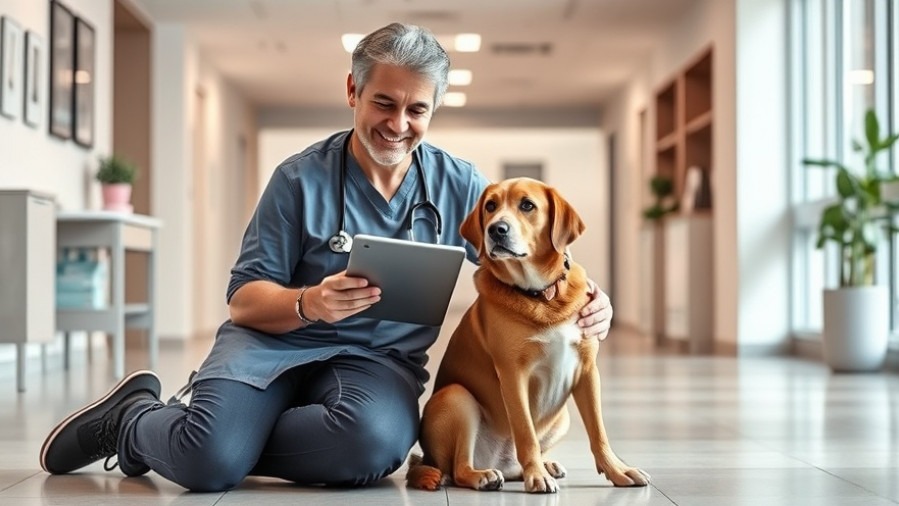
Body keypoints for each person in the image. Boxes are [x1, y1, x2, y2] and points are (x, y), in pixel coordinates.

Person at [39, 22, 615, 492]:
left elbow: (524, 263)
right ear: (352, 92)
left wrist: (589, 304)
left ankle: (219, 436)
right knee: (206, 466)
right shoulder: (297, 180)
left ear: (434, 109)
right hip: (267, 348)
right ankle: (135, 421)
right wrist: (308, 301)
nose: (397, 124)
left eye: (417, 110)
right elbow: (243, 300)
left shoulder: (463, 186)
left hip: (375, 363)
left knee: (373, 448)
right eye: (383, 103)